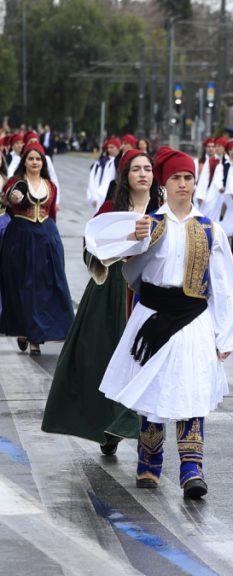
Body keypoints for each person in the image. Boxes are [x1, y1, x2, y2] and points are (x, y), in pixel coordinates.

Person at [86, 146, 233, 499]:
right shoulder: (150, 223)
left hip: (193, 318)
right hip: (154, 315)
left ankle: (192, 469)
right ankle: (149, 460)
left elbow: (224, 285)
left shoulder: (210, 229)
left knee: (191, 389)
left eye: (188, 177)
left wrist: (225, 334)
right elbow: (125, 268)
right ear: (165, 182)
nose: (183, 184)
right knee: (153, 390)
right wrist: (135, 237)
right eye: (176, 178)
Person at [42, 149, 161, 454]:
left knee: (145, 361)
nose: (144, 174)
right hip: (112, 291)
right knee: (105, 358)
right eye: (137, 169)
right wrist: (116, 246)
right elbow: (91, 246)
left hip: (150, 290)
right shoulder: (111, 208)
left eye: (148, 168)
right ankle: (110, 426)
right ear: (126, 176)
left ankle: (141, 431)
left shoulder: (161, 208)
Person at [0, 143, 74, 356]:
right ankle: (24, 329)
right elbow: (10, 195)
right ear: (24, 161)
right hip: (21, 238)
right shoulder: (16, 182)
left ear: (43, 162)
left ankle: (36, 337)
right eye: (31, 158)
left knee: (45, 286)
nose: (34, 162)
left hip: (46, 239)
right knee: (23, 286)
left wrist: (53, 240)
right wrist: (14, 197)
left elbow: (51, 214)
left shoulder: (50, 185)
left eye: (38, 159)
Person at [87, 137, 121, 214]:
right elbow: (94, 182)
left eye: (112, 147)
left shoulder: (118, 161)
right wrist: (94, 197)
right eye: (108, 147)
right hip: (101, 197)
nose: (109, 149)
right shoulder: (101, 163)